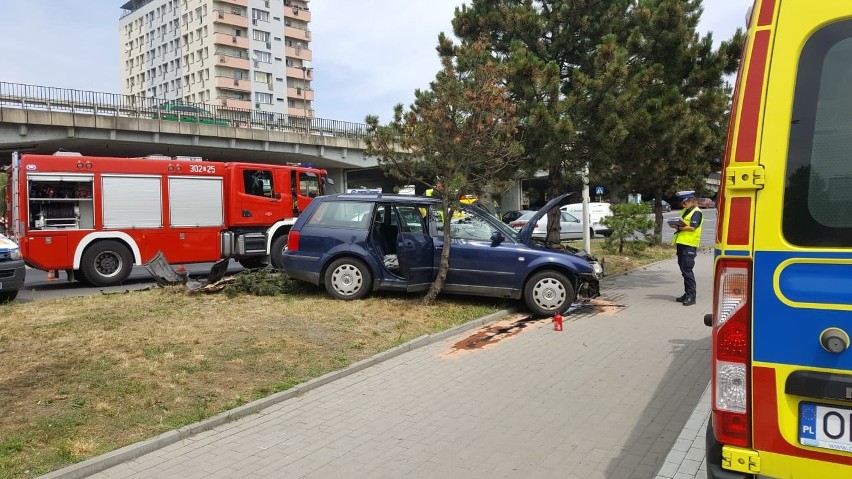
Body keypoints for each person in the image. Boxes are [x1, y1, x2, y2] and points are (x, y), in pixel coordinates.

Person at [669, 191, 703, 306]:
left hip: (689, 244)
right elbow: (683, 224)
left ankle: (691, 296)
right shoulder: (686, 211)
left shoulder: (697, 212)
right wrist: (676, 225)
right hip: (682, 243)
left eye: (685, 203)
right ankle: (687, 293)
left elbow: (693, 228)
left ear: (691, 200)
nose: (683, 205)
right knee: (684, 271)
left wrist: (679, 227)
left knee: (687, 271)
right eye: (682, 203)